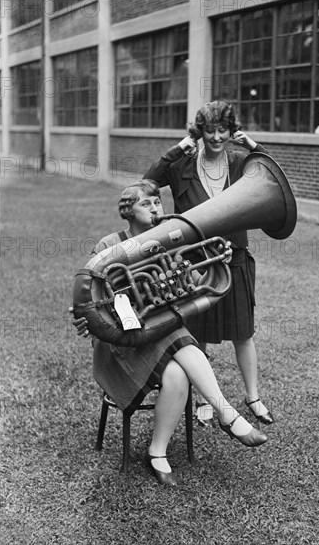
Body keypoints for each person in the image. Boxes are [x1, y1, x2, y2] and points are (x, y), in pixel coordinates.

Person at [70, 179, 268, 487]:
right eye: (144, 203)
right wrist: (85, 319)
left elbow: (192, 283)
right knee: (176, 331)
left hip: (157, 334)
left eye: (157, 202)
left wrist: (218, 261)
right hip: (121, 346)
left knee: (177, 370)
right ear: (127, 212)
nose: (154, 207)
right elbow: (86, 296)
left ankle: (157, 452)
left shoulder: (171, 241)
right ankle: (227, 415)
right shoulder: (109, 246)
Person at [143, 100, 275, 426]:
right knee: (196, 330)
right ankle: (203, 397)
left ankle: (253, 397)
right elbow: (148, 181)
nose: (216, 137)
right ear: (199, 132)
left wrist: (253, 146)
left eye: (223, 130)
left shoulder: (241, 162)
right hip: (195, 262)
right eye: (209, 130)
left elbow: (272, 174)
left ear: (232, 130)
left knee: (243, 332)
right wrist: (178, 149)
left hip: (235, 257)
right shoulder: (182, 165)